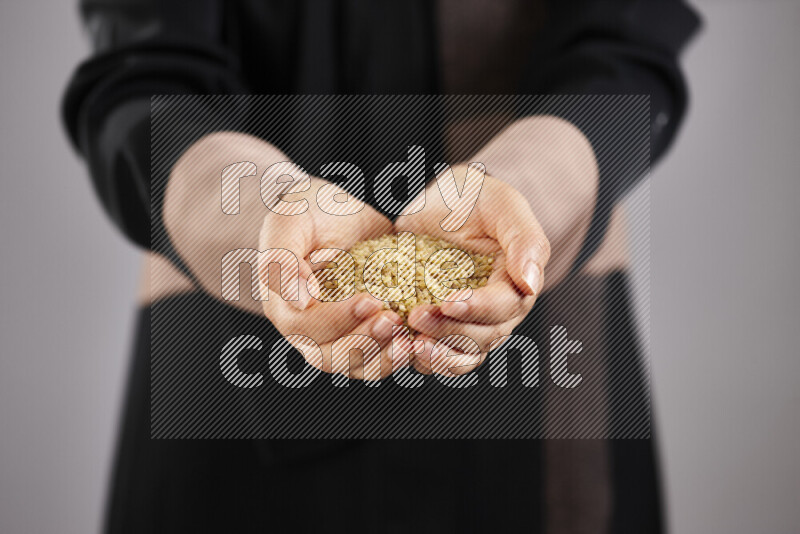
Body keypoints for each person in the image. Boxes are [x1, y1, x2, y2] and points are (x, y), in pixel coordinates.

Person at [63, 0, 700, 532]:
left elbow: (626, 44)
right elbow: (145, 75)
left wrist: (526, 187)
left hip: (545, 373)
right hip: (230, 347)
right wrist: (267, 213)